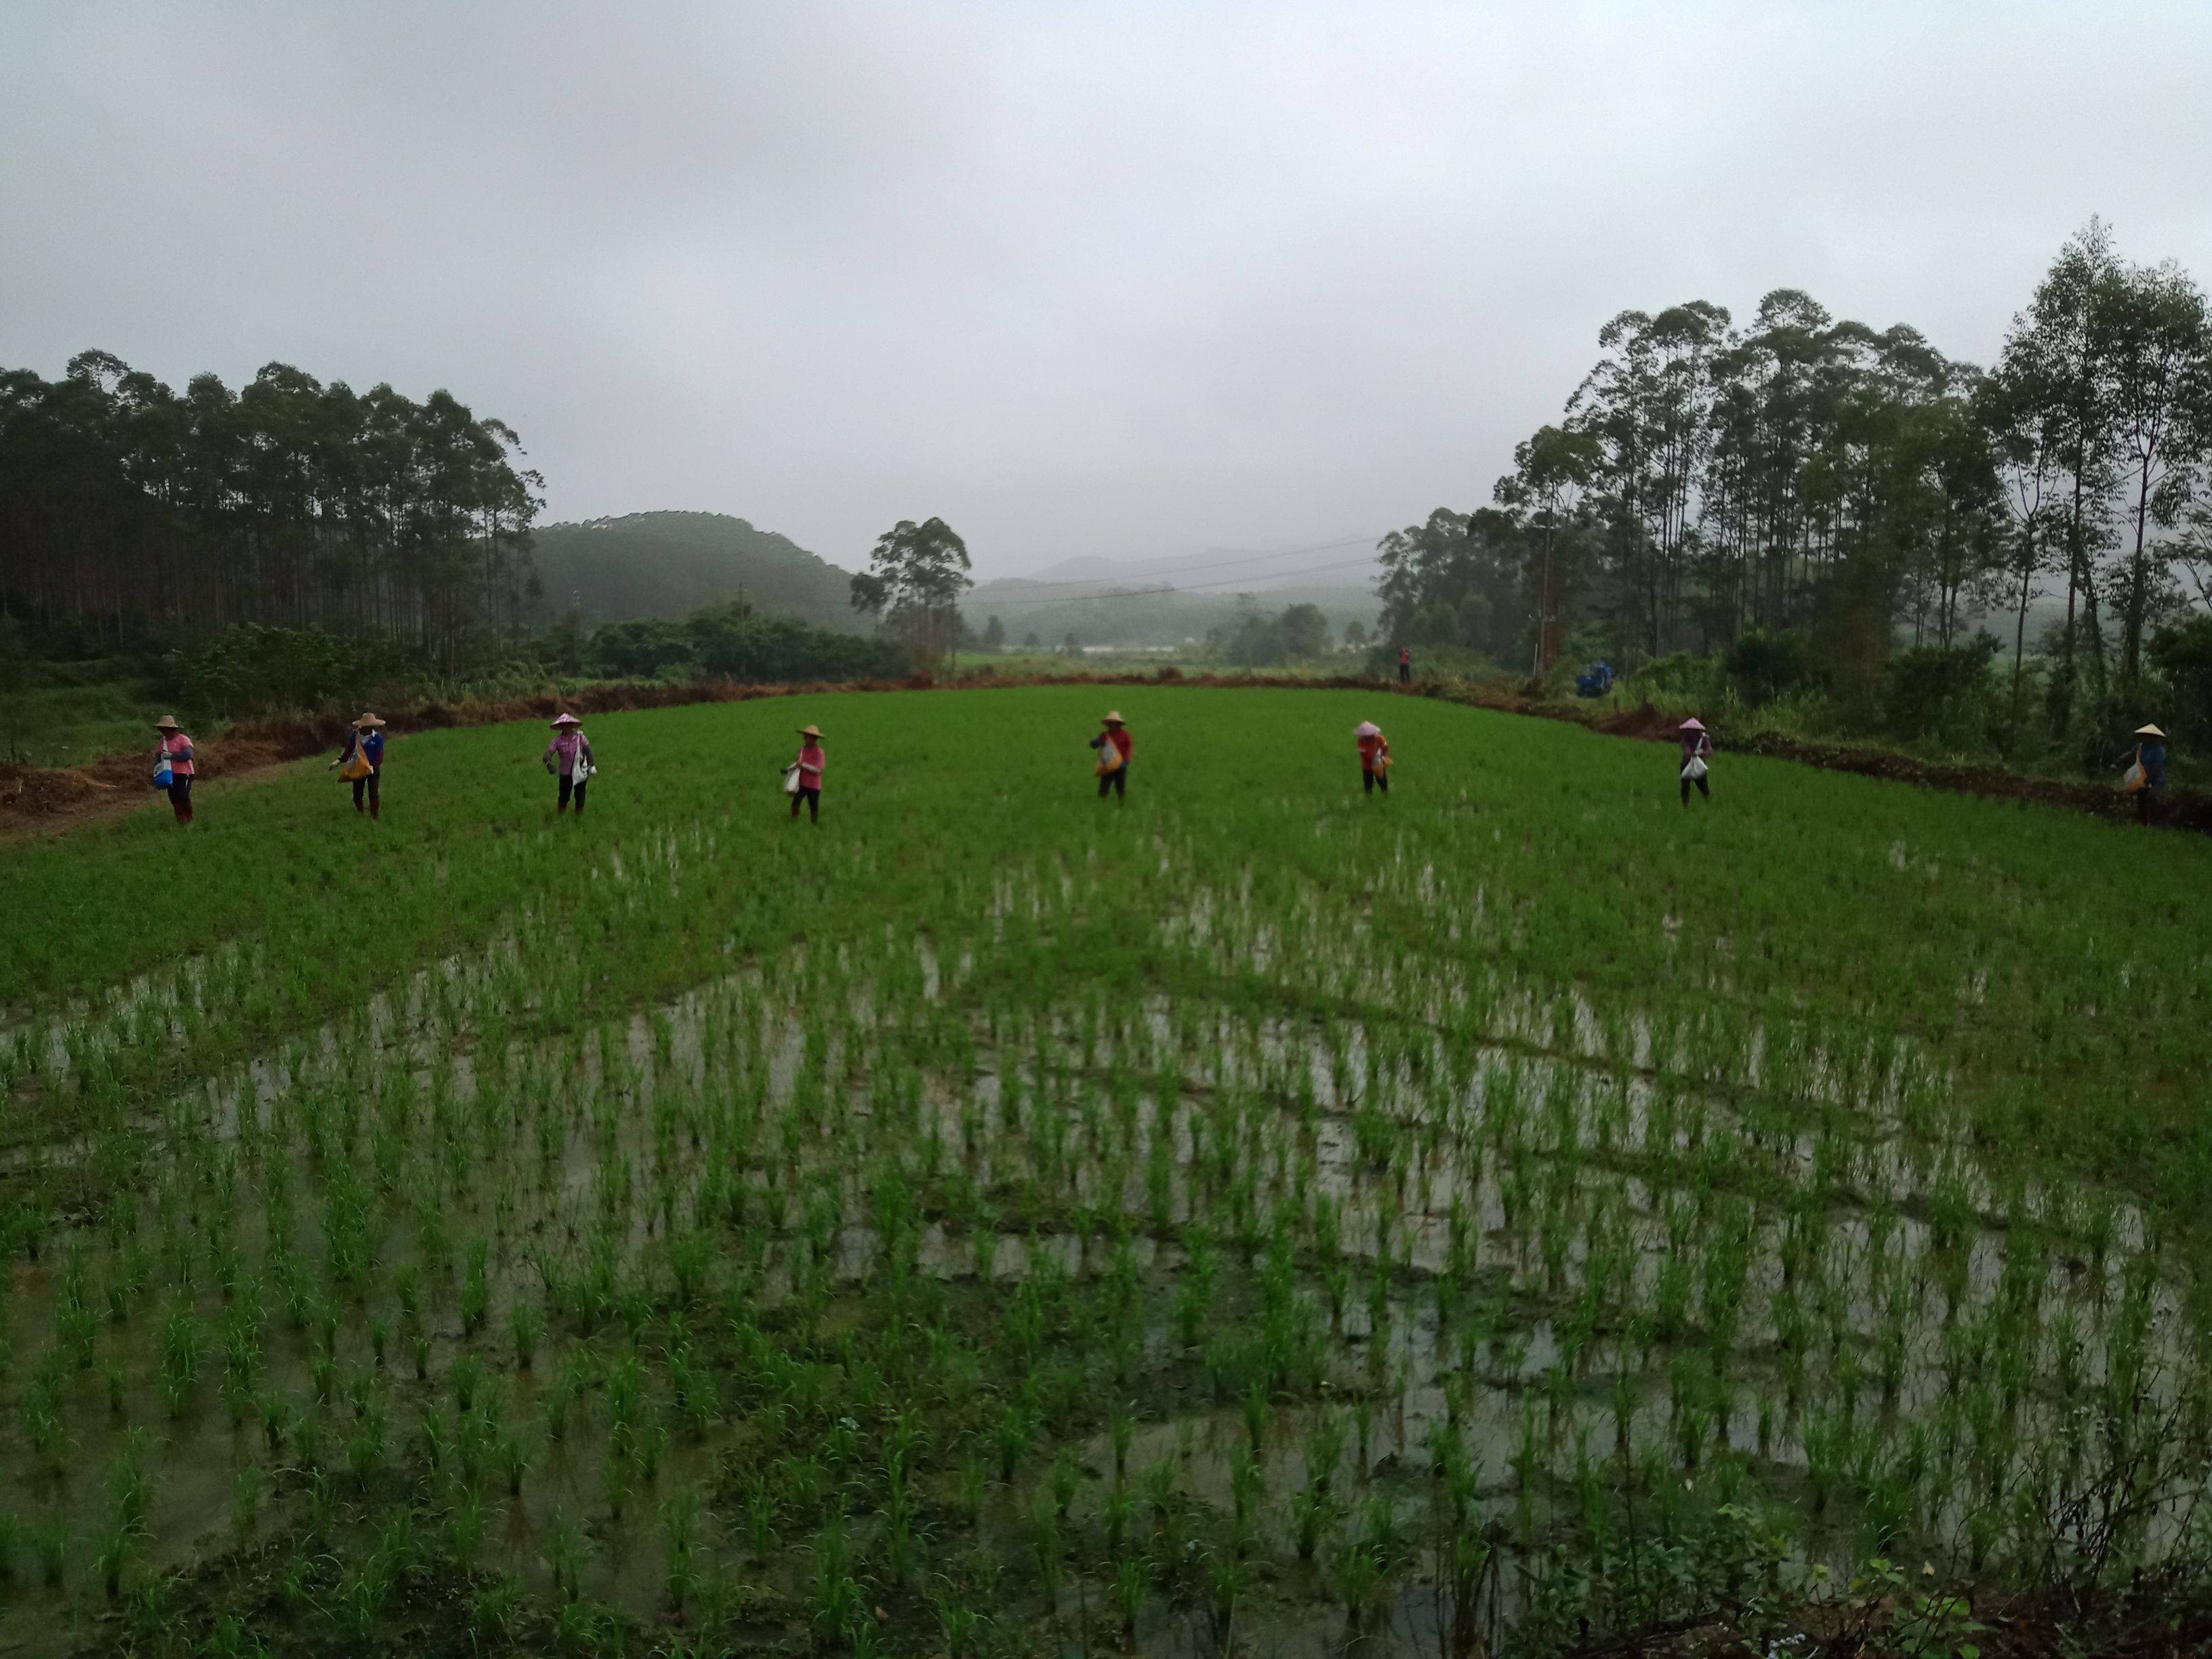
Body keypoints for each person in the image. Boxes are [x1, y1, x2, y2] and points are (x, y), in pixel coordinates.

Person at [329, 712, 387, 819]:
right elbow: (349, 750)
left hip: (372, 769)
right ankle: (360, 813)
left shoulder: (378, 739)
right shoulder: (354, 736)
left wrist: (372, 767)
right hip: (359, 768)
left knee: (373, 793)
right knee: (357, 793)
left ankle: (375, 816)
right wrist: (339, 761)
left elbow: (379, 756)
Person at [543, 713, 595, 815]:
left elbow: (588, 751)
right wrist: (548, 763)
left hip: (580, 771)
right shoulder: (557, 741)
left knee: (580, 795)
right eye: (563, 725)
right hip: (565, 773)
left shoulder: (580, 738)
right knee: (564, 796)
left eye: (568, 724)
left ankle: (579, 815)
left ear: (572, 725)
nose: (565, 727)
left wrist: (591, 765)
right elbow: (549, 753)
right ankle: (561, 815)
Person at [152, 715, 196, 825]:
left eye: (164, 729)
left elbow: (188, 755)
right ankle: (181, 821)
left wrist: (171, 756)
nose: (163, 732)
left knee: (183, 796)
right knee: (174, 799)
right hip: (169, 775)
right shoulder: (162, 743)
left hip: (184, 773)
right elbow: (158, 758)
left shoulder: (183, 740)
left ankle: (189, 818)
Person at [2129, 723, 2168, 825]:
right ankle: (2144, 822)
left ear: (2154, 738)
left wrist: (2147, 781)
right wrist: (2118, 762)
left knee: (2151, 797)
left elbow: (2157, 767)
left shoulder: (2159, 751)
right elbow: (2131, 754)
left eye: (2148, 736)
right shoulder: (2141, 747)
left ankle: (2153, 822)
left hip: (2156, 780)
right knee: (2141, 798)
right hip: (2143, 777)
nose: (2145, 738)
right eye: (2144, 736)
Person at [1090, 710, 1133, 801]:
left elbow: (1129, 749)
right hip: (1107, 766)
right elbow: (1097, 745)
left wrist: (1126, 761)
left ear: (1118, 724)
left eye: (1113, 724)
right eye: (1110, 724)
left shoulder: (1126, 736)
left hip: (1120, 766)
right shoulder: (1105, 735)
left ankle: (1121, 804)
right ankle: (1101, 805)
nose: (1111, 726)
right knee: (1103, 789)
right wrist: (1095, 743)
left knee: (1120, 789)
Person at [789, 724, 825, 823]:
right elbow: (798, 763)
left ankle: (814, 824)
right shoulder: (802, 749)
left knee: (814, 807)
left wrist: (803, 765)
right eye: (805, 735)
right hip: (802, 783)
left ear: (815, 738)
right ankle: (794, 822)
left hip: (814, 786)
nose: (805, 738)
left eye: (808, 736)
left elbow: (818, 770)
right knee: (795, 804)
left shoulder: (819, 752)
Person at [1678, 718, 1713, 806]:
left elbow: (1709, 751)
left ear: (1697, 731)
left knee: (1703, 788)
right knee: (1685, 787)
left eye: (1691, 730)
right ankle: (1685, 805)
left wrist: (1699, 754)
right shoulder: (1686, 739)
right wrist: (1691, 754)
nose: (1690, 732)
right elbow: (1687, 751)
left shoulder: (1704, 739)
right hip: (1687, 765)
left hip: (1698, 766)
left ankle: (1708, 804)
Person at [1355, 720, 1391, 794]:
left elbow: (1386, 748)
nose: (1365, 737)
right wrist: (1373, 758)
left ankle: (1385, 792)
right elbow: (1363, 753)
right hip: (1367, 765)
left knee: (1381, 780)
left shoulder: (1380, 738)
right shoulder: (1361, 741)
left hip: (1378, 763)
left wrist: (1383, 757)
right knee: (1368, 782)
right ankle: (1369, 795)